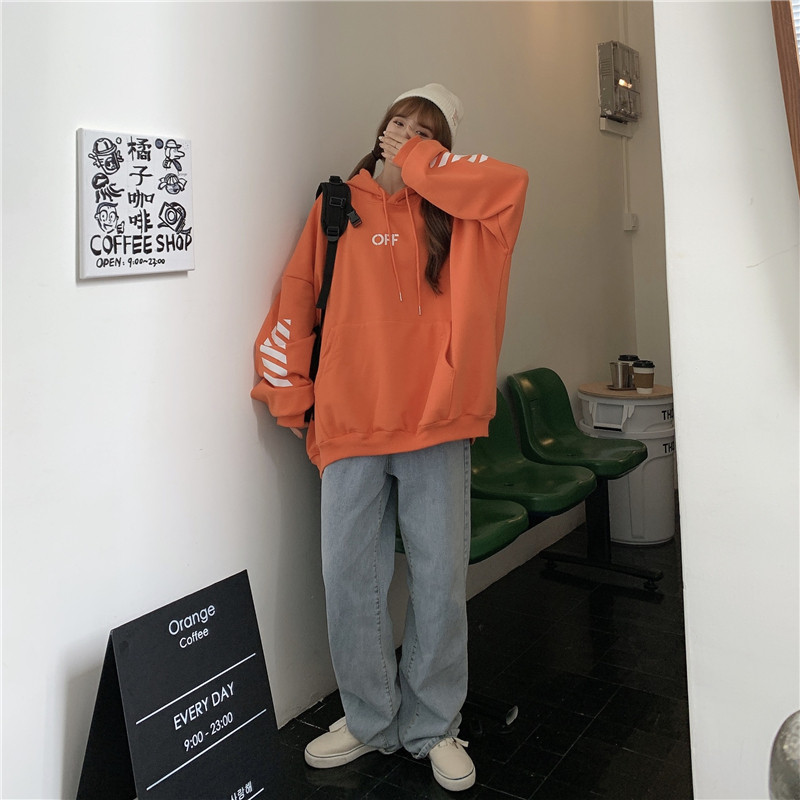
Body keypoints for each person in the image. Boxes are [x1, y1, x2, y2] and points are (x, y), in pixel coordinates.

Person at [251, 83, 528, 792]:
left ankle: (434, 724)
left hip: (437, 423)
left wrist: (421, 165)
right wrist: (294, 397)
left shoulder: (465, 215)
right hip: (350, 423)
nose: (406, 134)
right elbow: (297, 297)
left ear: (444, 149)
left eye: (425, 130)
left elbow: (510, 182)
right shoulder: (337, 205)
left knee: (438, 581)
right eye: (399, 122)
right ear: (379, 129)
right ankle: (370, 719)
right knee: (350, 580)